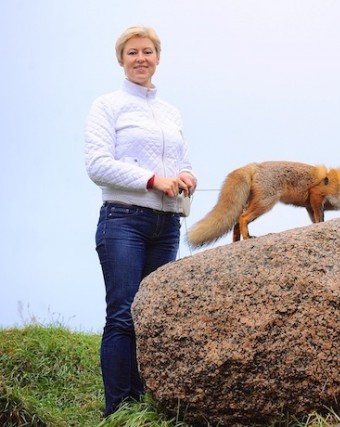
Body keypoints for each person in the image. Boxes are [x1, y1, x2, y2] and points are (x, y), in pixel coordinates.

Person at [84, 26, 197, 417]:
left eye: (147, 52)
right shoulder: (107, 105)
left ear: (157, 58)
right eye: (132, 53)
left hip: (166, 225)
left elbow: (180, 160)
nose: (140, 59)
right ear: (121, 60)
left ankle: (142, 408)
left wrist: (186, 176)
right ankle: (118, 411)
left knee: (150, 318)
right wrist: (152, 180)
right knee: (122, 314)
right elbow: (97, 165)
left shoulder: (171, 112)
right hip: (123, 220)